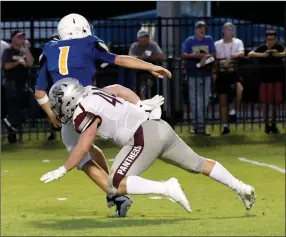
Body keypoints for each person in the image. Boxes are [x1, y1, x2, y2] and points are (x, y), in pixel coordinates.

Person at [40, 78, 256, 213]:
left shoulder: (81, 113)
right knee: (199, 164)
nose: (57, 110)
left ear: (69, 101)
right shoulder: (92, 91)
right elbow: (119, 88)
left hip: (143, 136)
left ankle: (166, 188)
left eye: (59, 104)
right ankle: (241, 188)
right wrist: (139, 103)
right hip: (160, 127)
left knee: (114, 184)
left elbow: (84, 145)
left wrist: (63, 168)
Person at [34, 13, 172, 217]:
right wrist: (151, 66)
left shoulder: (50, 50)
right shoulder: (88, 43)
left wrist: (51, 115)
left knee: (81, 156)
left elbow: (39, 93)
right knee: (116, 91)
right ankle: (144, 111)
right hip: (92, 100)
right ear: (84, 29)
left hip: (67, 110)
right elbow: (121, 60)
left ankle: (115, 194)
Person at [182, 21, 216, 136]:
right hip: (193, 74)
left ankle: (199, 126)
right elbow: (184, 54)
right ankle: (198, 126)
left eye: (203, 28)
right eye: (200, 28)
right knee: (195, 101)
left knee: (205, 101)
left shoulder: (209, 39)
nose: (202, 30)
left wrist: (205, 59)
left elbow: (214, 54)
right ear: (195, 30)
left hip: (206, 73)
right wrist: (199, 56)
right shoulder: (189, 41)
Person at [248, 29, 286, 134]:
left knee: (275, 103)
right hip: (264, 80)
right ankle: (266, 125)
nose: (271, 42)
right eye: (269, 40)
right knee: (265, 103)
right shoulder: (262, 48)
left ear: (276, 39)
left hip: (277, 79)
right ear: (265, 39)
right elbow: (251, 54)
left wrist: (278, 54)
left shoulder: (279, 46)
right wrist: (263, 55)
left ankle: (273, 124)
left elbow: (285, 52)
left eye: (273, 40)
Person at [2, 30, 35, 143]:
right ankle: (12, 137)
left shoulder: (24, 51)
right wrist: (18, 62)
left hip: (23, 85)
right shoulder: (8, 51)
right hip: (11, 84)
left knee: (33, 105)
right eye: (19, 36)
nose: (22, 38)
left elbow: (30, 63)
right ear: (13, 39)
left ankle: (10, 122)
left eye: (23, 37)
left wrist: (26, 50)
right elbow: (6, 66)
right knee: (14, 110)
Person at [214, 22, 245, 135]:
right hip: (222, 73)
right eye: (227, 29)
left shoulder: (238, 42)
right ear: (223, 31)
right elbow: (214, 57)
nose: (229, 31)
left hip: (233, 72)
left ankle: (233, 110)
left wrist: (231, 58)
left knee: (239, 89)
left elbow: (242, 53)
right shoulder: (217, 44)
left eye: (231, 29)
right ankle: (225, 126)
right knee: (223, 101)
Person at [129, 30, 164, 99]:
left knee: (152, 88)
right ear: (138, 39)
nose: (144, 39)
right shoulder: (134, 46)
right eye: (142, 37)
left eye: (146, 37)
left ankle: (153, 103)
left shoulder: (153, 45)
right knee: (138, 88)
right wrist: (142, 57)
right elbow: (130, 57)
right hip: (138, 71)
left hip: (151, 70)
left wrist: (151, 57)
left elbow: (161, 56)